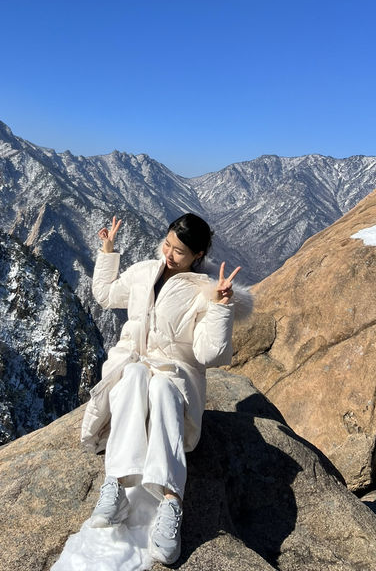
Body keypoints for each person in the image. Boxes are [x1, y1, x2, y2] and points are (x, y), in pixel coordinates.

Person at [80, 213, 250, 565]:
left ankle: (172, 502)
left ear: (198, 255)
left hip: (175, 387)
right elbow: (106, 295)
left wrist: (219, 307)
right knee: (134, 378)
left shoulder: (200, 292)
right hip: (136, 373)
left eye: (180, 252)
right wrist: (108, 250)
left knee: (159, 389)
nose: (169, 254)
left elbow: (210, 354)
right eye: (168, 244)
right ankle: (117, 484)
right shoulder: (145, 272)